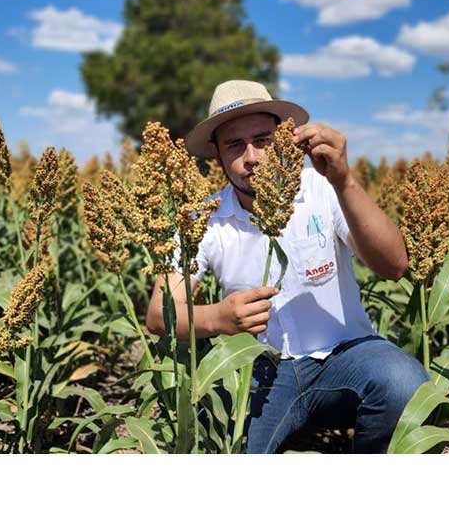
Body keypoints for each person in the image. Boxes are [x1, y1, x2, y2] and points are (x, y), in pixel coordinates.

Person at [144, 79, 429, 454]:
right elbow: (158, 316)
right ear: (215, 154)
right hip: (262, 371)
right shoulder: (202, 219)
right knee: (232, 448)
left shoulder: (323, 188)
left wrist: (344, 179)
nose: (252, 157)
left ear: (282, 139)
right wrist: (219, 318)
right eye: (235, 145)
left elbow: (394, 265)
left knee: (403, 382)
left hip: (345, 358)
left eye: (262, 140)